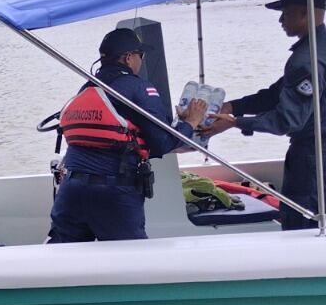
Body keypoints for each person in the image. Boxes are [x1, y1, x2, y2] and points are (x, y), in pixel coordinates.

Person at [201, 0, 326, 229]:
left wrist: (236, 123)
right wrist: (233, 107)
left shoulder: (305, 59)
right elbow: (277, 93)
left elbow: (288, 120)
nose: (280, 20)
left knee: (304, 229)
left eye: (285, 13)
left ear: (305, 13)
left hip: (317, 156)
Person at [48, 27, 207, 243]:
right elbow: (162, 143)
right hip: (112, 194)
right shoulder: (138, 88)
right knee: (132, 261)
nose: (141, 61)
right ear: (129, 57)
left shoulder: (87, 88)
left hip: (70, 192)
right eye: (141, 55)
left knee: (67, 262)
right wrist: (191, 122)